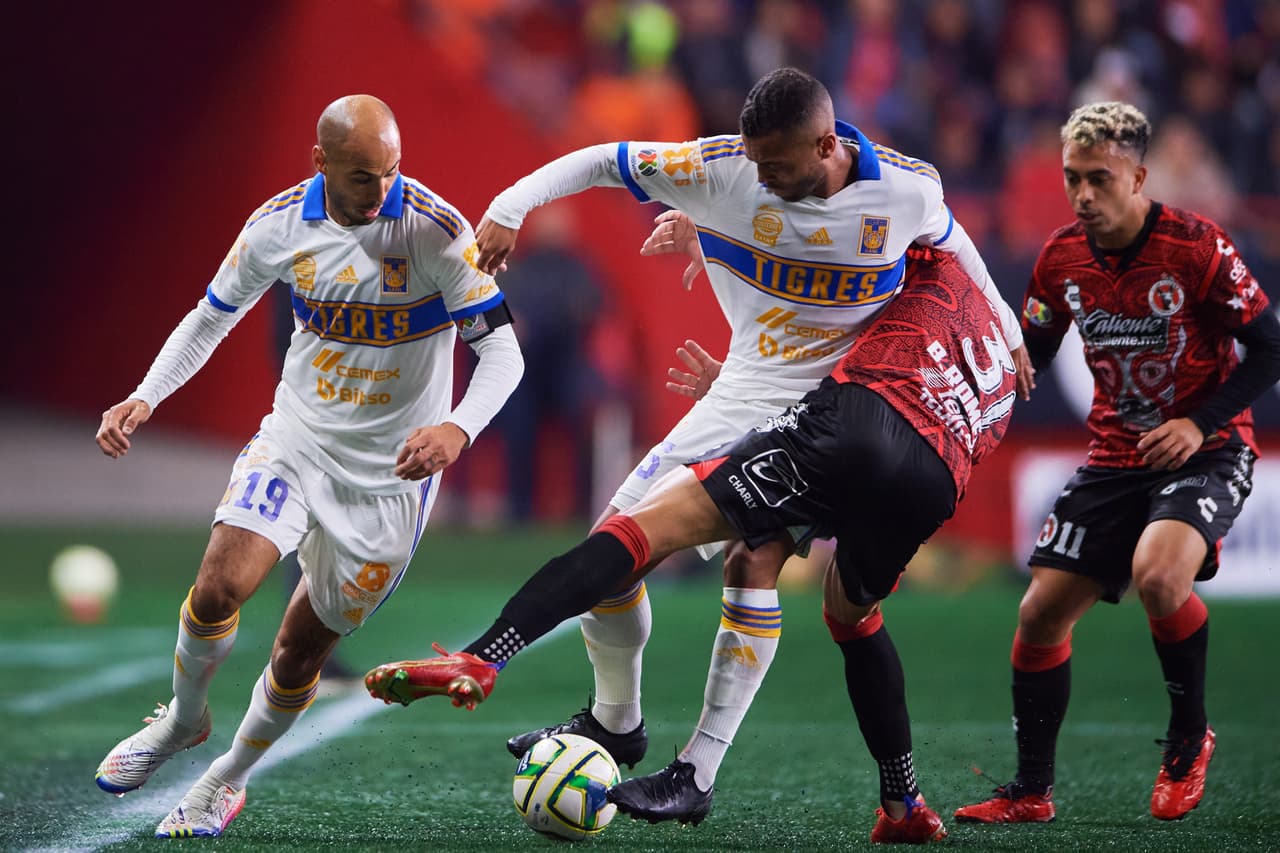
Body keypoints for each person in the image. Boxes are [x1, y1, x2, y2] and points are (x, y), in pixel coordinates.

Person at [365, 65, 1029, 827]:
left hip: (837, 410)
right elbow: (604, 159)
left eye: (775, 162)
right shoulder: (722, 169)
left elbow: (954, 244)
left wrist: (1009, 332)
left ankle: (695, 767)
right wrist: (510, 208)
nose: (759, 174)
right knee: (615, 546)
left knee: (751, 561)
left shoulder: (905, 190)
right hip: (741, 392)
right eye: (753, 158)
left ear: (825, 145)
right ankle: (617, 721)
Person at [92, 95, 524, 838]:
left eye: (391, 171)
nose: (381, 191)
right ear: (320, 161)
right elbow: (212, 314)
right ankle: (184, 720)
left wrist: (458, 427)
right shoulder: (277, 225)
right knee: (218, 587)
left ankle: (226, 779)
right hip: (298, 440)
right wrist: (146, 394)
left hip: (391, 481)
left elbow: (503, 351)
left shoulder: (436, 231)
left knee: (299, 653)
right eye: (362, 176)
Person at [953, 101, 1280, 825]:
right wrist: (979, 403)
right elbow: (1033, 355)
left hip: (1207, 450)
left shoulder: (1196, 247)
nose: (1083, 194)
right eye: (1073, 178)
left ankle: (1189, 741)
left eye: (1099, 178)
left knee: (1158, 575)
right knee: (1038, 613)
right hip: (1114, 457)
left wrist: (1198, 423)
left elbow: (1271, 347)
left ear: (1138, 176)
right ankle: (1031, 791)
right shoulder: (1060, 257)